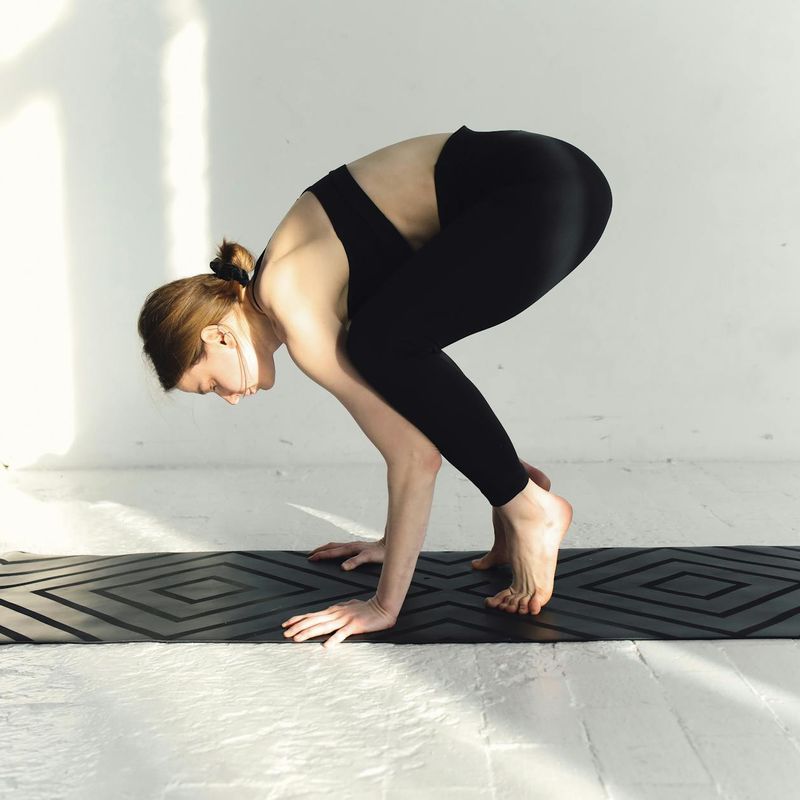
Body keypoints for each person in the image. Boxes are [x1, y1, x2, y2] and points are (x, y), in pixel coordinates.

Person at [138, 124, 613, 647]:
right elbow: (414, 411)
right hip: (557, 182)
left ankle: (530, 510)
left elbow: (414, 457)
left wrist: (382, 605)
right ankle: (513, 495)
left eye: (210, 386)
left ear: (217, 337)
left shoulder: (290, 301)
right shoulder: (294, 284)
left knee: (383, 347)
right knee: (392, 352)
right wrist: (395, 542)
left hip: (538, 195)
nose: (230, 399)